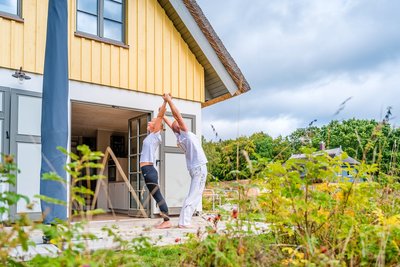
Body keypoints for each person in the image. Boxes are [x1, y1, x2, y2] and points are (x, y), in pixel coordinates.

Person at [162, 93, 208, 228]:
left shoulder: (179, 136)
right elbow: (176, 116)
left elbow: (171, 123)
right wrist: (169, 101)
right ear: (180, 127)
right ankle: (184, 222)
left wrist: (162, 113)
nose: (179, 122)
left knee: (193, 193)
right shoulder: (185, 134)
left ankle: (184, 221)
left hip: (193, 167)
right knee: (195, 194)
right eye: (179, 122)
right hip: (199, 167)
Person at [140, 100, 172, 229]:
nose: (149, 122)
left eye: (151, 122)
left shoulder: (155, 135)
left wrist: (165, 102)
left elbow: (160, 117)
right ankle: (165, 219)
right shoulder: (150, 137)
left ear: (157, 126)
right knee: (156, 195)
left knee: (157, 195)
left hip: (149, 170)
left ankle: (167, 220)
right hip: (147, 170)